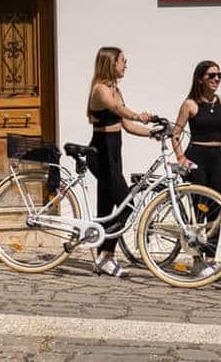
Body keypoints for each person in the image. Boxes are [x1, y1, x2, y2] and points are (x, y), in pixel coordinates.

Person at [86, 46, 153, 278]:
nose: (126, 65)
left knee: (106, 207)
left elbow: (127, 126)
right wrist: (138, 114)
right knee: (127, 206)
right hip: (101, 152)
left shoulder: (116, 89)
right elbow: (119, 110)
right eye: (123, 61)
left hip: (113, 153)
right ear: (111, 63)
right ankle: (105, 255)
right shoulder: (100, 90)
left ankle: (104, 258)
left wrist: (152, 133)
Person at [173, 60, 221, 277]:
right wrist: (181, 157)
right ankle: (197, 259)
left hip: (216, 157)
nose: (216, 79)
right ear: (200, 78)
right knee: (199, 209)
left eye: (219, 75)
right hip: (197, 157)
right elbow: (175, 133)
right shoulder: (190, 104)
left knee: (217, 208)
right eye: (212, 75)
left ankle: (211, 258)